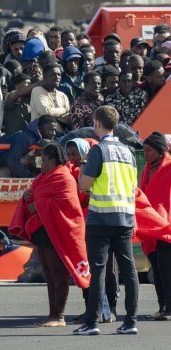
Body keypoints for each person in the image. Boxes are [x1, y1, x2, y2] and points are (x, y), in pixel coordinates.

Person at [74, 105, 139, 336]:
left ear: (98, 124)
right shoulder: (129, 152)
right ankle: (130, 321)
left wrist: (82, 167)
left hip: (101, 217)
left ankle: (92, 323)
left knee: (98, 270)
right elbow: (133, 186)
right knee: (128, 270)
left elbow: (85, 185)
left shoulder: (98, 150)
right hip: (125, 217)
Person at [9, 143, 89, 327]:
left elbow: (67, 203)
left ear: (53, 160)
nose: (40, 163)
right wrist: (29, 195)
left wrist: (37, 205)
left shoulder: (63, 177)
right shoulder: (44, 176)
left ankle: (59, 316)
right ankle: (52, 314)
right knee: (49, 274)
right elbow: (39, 194)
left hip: (57, 230)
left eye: (43, 160)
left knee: (58, 273)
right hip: (43, 231)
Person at [140, 131, 171, 320]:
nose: (145, 153)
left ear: (160, 151)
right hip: (150, 226)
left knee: (166, 267)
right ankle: (163, 306)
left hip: (167, 225)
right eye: (144, 150)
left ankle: (169, 307)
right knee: (157, 267)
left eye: (149, 150)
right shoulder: (146, 168)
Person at [30, 63, 70, 135]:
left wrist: (55, 115)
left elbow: (68, 117)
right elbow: (46, 112)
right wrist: (64, 109)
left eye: (59, 75)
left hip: (60, 132)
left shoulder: (63, 95)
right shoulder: (37, 90)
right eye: (53, 74)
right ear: (44, 77)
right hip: (39, 134)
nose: (57, 77)